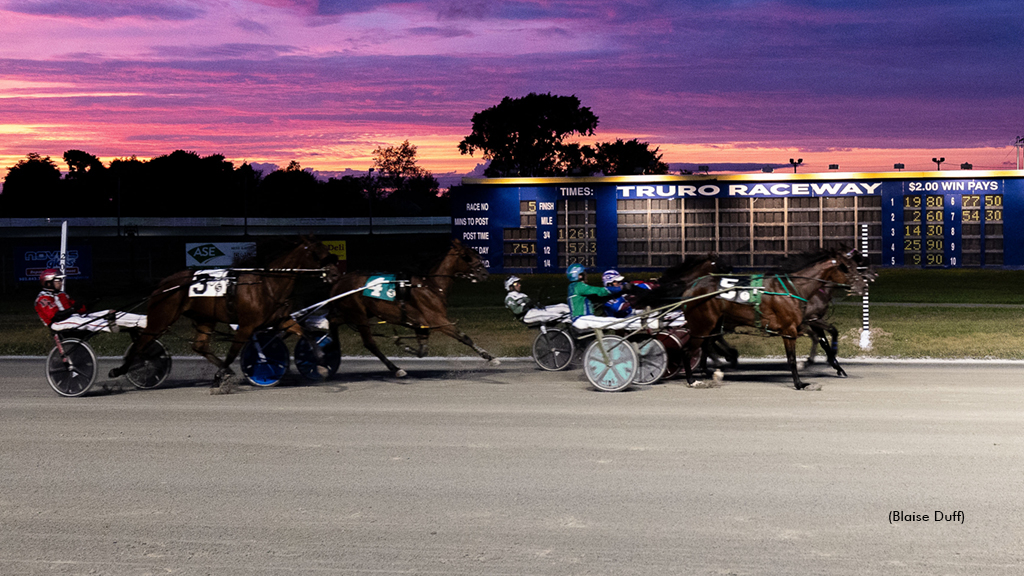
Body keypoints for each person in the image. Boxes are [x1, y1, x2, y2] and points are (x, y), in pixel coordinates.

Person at [34, 269, 147, 332]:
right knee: (82, 322)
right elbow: (56, 316)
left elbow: (79, 309)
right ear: (48, 283)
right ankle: (108, 326)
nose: (61, 282)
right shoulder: (43, 299)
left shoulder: (62, 295)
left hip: (73, 317)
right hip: (58, 323)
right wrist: (74, 309)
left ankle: (144, 321)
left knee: (110, 312)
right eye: (58, 280)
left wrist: (90, 303)